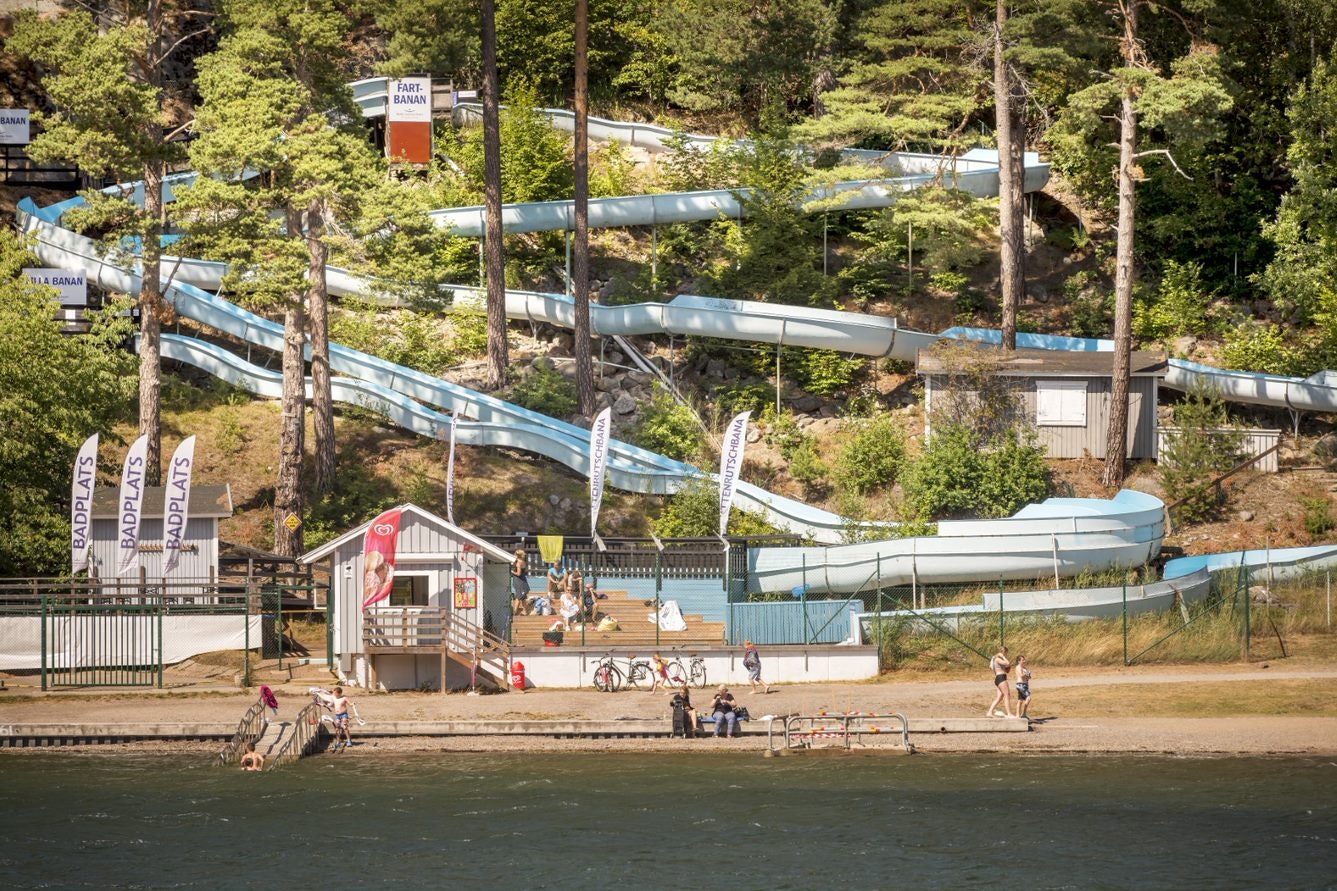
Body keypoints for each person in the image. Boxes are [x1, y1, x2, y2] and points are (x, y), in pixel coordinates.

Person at [986, 646, 1013, 718]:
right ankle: (1009, 714)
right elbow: (1008, 663)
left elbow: (1007, 667)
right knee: (1007, 695)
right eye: (1006, 653)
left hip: (999, 678)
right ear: (1003, 652)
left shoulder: (995, 659)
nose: (1006, 655)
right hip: (1001, 678)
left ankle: (989, 712)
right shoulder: (997, 659)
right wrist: (1003, 657)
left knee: (999, 697)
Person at [331, 686, 353, 751]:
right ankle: (338, 742)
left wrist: (352, 704)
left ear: (339, 693)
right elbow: (329, 693)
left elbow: (349, 703)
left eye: (335, 693)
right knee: (337, 727)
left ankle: (349, 741)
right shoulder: (334, 697)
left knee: (345, 727)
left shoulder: (344, 698)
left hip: (344, 714)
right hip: (337, 715)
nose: (334, 694)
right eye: (334, 693)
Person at [510, 549, 531, 615]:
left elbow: (518, 574)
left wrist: (512, 572)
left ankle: (514, 612)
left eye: (515, 554)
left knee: (518, 597)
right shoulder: (523, 561)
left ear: (517, 555)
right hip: (522, 581)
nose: (514, 555)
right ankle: (526, 612)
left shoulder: (518, 562)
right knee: (523, 598)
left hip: (520, 582)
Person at [1014, 654, 1033, 719]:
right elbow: (1021, 676)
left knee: (1020, 700)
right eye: (1022, 660)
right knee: (1028, 698)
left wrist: (1027, 675)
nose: (1024, 661)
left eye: (1024, 659)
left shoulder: (1025, 668)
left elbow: (1029, 677)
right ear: (1019, 661)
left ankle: (1017, 715)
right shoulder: (1018, 667)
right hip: (1020, 685)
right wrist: (1026, 674)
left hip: (1025, 685)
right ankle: (1023, 714)